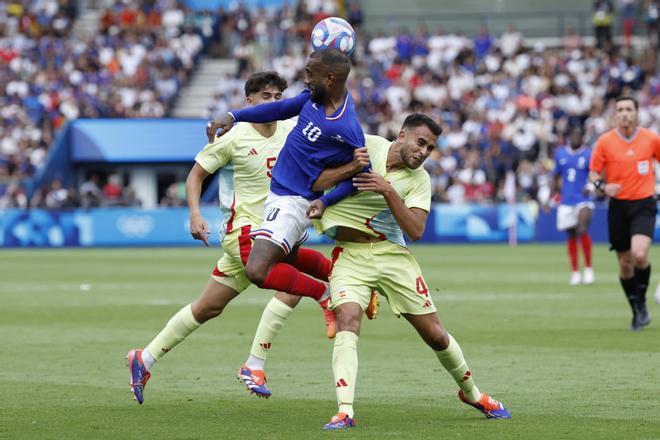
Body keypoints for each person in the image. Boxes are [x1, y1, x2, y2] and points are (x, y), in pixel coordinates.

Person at [125, 72, 366, 405]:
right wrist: (194, 214)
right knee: (289, 279)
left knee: (208, 307)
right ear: (250, 102)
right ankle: (328, 291)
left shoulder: (291, 130)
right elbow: (196, 174)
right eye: (266, 96)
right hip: (244, 231)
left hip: (278, 225)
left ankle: (145, 358)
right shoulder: (234, 137)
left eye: (278, 96)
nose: (274, 102)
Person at [313, 114, 511, 429]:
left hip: (393, 257)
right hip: (350, 256)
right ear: (402, 135)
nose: (423, 152)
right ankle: (344, 411)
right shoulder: (365, 146)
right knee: (348, 320)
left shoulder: (420, 181)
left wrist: (388, 191)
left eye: (430, 148)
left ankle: (472, 393)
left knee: (435, 334)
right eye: (420, 143)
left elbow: (416, 230)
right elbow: (319, 177)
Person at [205, 49, 369, 331]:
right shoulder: (314, 99)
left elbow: (362, 176)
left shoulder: (346, 127)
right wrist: (235, 115)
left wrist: (327, 201)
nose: (304, 78)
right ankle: (351, 280)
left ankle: (327, 294)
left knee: (256, 270)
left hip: (293, 202)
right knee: (288, 257)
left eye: (310, 73)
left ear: (329, 78)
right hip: (279, 195)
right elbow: (280, 109)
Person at [589, 96, 660, 331]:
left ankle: (641, 304)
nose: (625, 113)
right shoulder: (605, 142)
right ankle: (637, 309)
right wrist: (603, 187)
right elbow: (593, 174)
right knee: (625, 265)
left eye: (629, 109)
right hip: (618, 206)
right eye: (620, 110)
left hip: (644, 204)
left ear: (637, 113)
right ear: (615, 114)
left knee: (640, 254)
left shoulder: (650, 138)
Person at [552, 126, 595, 285]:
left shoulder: (588, 154)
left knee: (582, 229)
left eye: (579, 135)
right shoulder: (560, 153)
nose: (576, 138)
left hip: (584, 200)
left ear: (583, 138)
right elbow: (555, 176)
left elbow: (595, 173)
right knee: (570, 235)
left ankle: (589, 269)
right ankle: (575, 271)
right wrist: (550, 196)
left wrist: (591, 186)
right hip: (566, 200)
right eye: (574, 135)